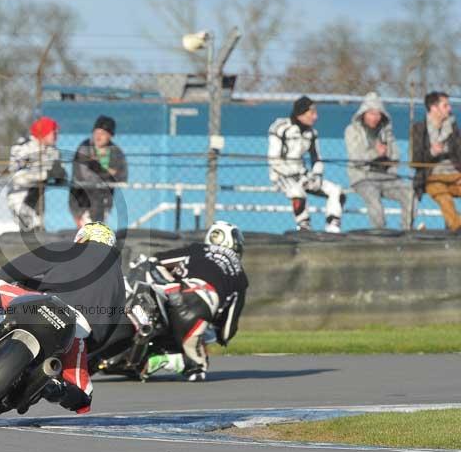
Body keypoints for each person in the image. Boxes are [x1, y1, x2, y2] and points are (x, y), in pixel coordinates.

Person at [0, 221, 125, 413]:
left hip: (42, 306)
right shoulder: (120, 282)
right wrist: (84, 350)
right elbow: (105, 334)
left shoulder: (71, 248)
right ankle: (52, 387)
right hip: (76, 332)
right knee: (83, 396)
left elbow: (13, 270)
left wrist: (6, 282)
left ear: (82, 238)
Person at [141, 221, 249, 382]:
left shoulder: (199, 249)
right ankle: (168, 360)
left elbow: (156, 260)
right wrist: (220, 336)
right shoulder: (240, 275)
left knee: (149, 268)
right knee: (199, 367)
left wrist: (168, 283)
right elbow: (227, 331)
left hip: (166, 294)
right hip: (197, 309)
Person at [268, 96, 346, 232]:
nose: (315, 117)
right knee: (297, 192)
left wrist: (316, 175)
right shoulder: (280, 127)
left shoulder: (312, 133)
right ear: (301, 113)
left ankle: (333, 227)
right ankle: (304, 227)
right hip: (281, 175)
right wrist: (292, 174)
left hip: (303, 174)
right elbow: (273, 158)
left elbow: (316, 158)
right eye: (312, 113)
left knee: (337, 191)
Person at [344, 92, 415, 230]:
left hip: (386, 176)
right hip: (363, 177)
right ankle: (379, 234)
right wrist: (375, 152)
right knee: (374, 199)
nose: (375, 117)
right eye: (371, 113)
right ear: (363, 114)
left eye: (378, 114)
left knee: (410, 193)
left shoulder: (386, 131)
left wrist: (386, 151)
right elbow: (355, 158)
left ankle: (407, 231)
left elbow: (396, 154)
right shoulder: (352, 131)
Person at [411, 91, 461, 231]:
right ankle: (457, 227)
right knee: (444, 197)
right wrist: (432, 152)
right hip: (432, 176)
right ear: (434, 108)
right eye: (445, 106)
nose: (450, 109)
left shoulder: (453, 127)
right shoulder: (419, 129)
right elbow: (415, 161)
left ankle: (454, 226)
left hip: (455, 174)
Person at [7, 116, 66, 231]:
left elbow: (60, 170)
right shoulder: (23, 147)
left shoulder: (53, 150)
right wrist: (45, 174)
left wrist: (61, 175)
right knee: (30, 231)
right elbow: (17, 177)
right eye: (53, 132)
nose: (56, 136)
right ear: (44, 132)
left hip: (39, 197)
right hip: (20, 196)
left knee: (39, 232)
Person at [68, 115, 128, 227]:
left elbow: (122, 177)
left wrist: (96, 167)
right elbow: (83, 175)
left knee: (97, 231)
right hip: (82, 198)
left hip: (104, 199)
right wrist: (107, 172)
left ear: (110, 136)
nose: (98, 136)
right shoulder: (85, 148)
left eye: (103, 133)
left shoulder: (116, 152)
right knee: (88, 230)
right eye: (96, 132)